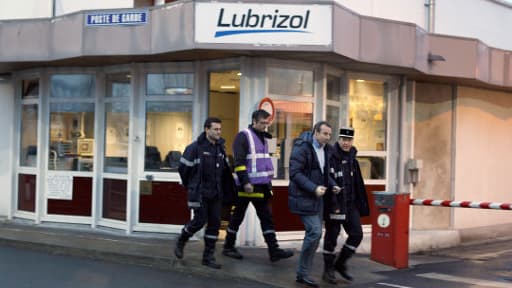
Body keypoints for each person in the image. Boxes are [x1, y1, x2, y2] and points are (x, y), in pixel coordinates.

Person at [222, 109, 294, 263]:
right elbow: (239, 162)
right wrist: (246, 181)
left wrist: (268, 182)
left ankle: (272, 250)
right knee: (241, 218)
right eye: (262, 123)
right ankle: (230, 247)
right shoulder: (244, 136)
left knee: (262, 218)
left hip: (261, 186)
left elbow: (264, 162)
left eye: (267, 123)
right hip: (247, 186)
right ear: (254, 122)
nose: (265, 126)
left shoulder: (264, 138)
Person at [174, 117, 234, 269]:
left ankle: (208, 257)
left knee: (214, 224)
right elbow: (183, 170)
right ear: (206, 129)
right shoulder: (194, 148)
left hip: (216, 194)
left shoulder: (221, 148)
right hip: (200, 193)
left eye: (220, 129)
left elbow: (225, 172)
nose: (218, 132)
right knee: (200, 221)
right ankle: (182, 238)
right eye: (215, 129)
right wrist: (192, 186)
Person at [289, 121, 340, 287]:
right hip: (304, 197)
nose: (327, 137)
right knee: (316, 232)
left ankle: (302, 273)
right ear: (315, 133)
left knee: (314, 235)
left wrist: (332, 185)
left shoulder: (325, 150)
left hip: (318, 199)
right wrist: (314, 188)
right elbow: (295, 173)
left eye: (329, 134)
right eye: (324, 134)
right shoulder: (302, 148)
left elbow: (324, 173)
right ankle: (303, 273)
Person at [323, 127, 369, 283]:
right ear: (338, 140)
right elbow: (326, 177)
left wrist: (360, 204)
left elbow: (357, 184)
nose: (346, 142)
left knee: (357, 235)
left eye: (349, 140)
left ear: (352, 141)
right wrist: (333, 186)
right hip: (335, 204)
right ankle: (328, 270)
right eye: (343, 139)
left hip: (350, 205)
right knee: (332, 238)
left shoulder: (353, 159)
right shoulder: (330, 156)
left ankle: (340, 264)